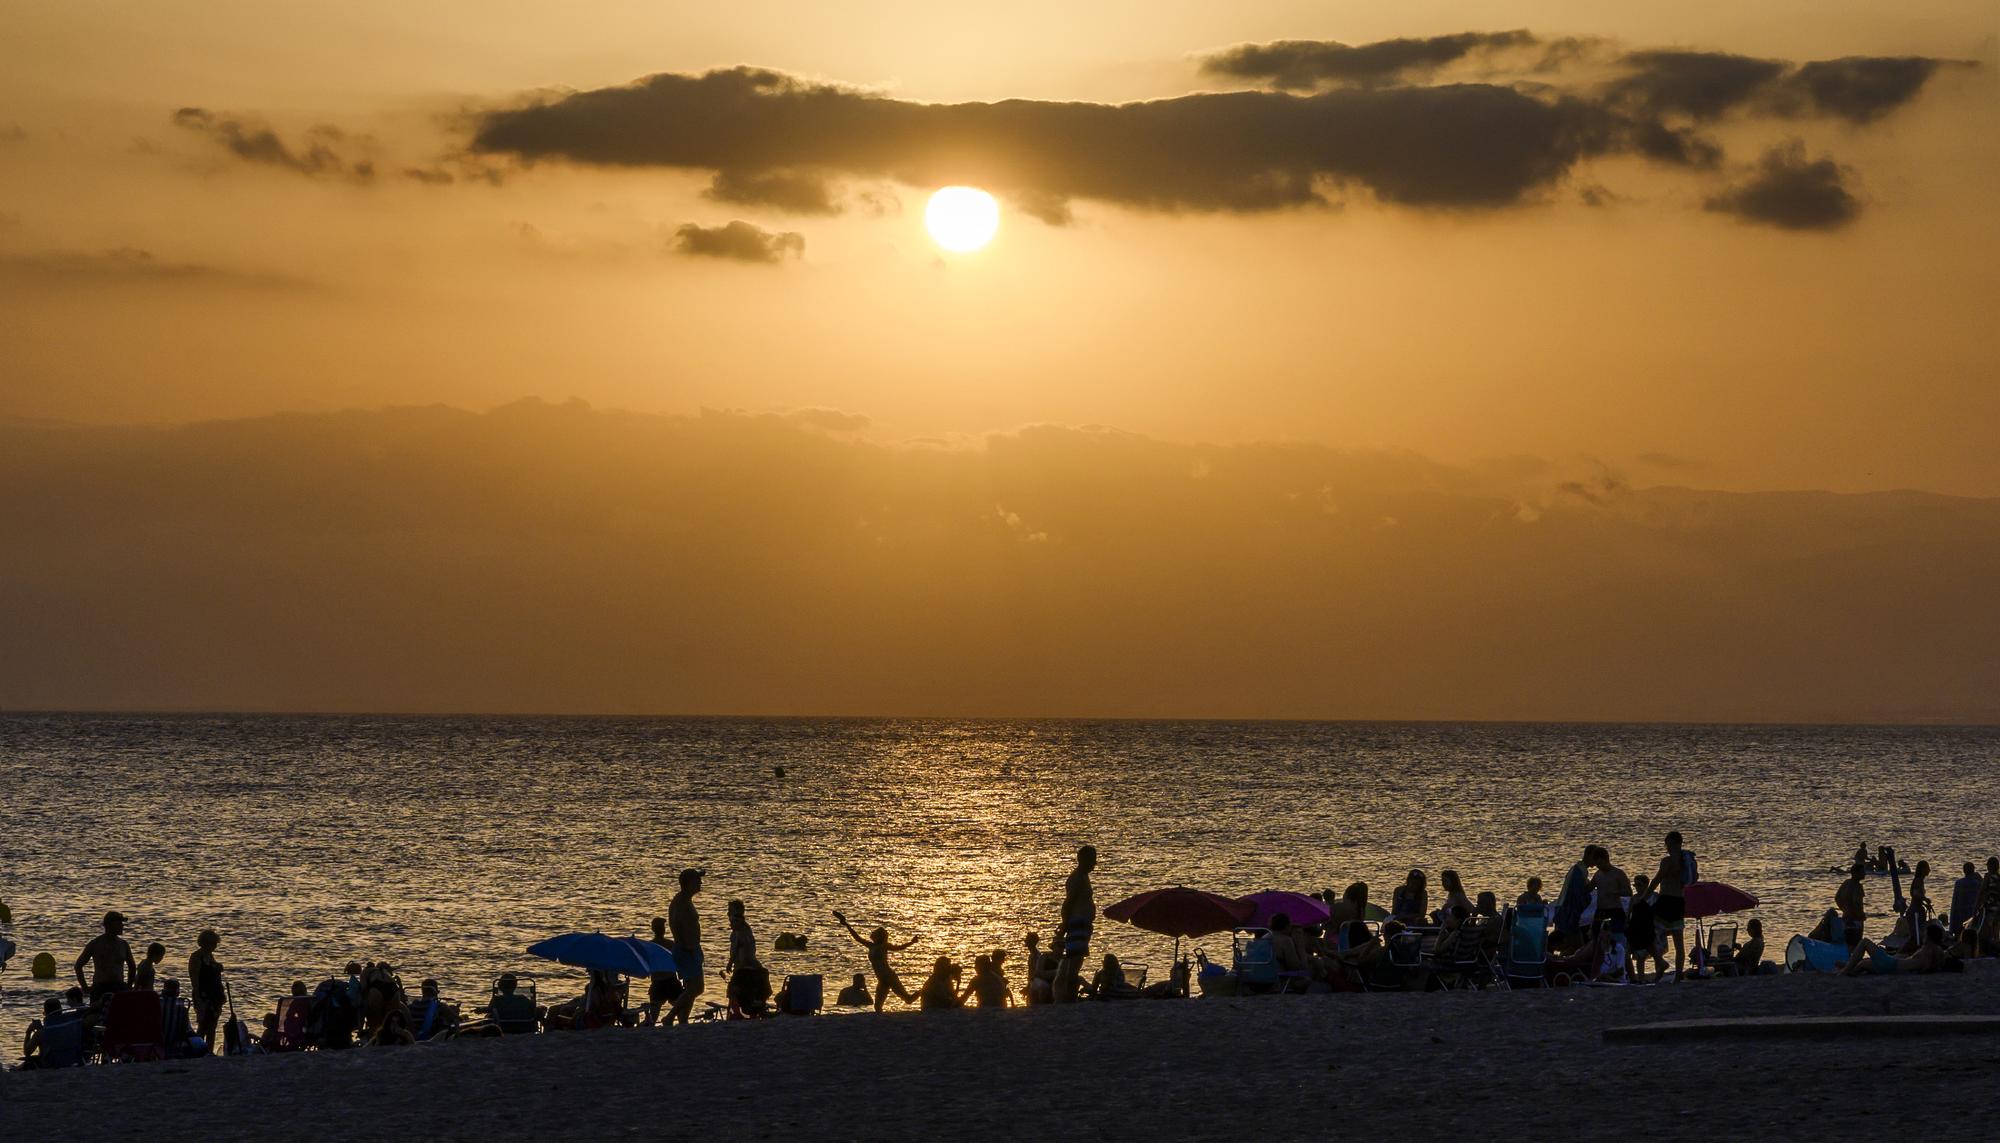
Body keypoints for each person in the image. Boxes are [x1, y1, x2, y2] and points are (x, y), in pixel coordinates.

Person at [834, 910, 919, 1011]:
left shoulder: (884, 946)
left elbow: (899, 947)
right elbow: (857, 938)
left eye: (875, 933)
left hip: (889, 977)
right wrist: (847, 925)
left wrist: (911, 942)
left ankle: (924, 991)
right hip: (882, 980)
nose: (872, 934)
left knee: (908, 1000)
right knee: (877, 1007)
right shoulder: (871, 946)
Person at [1052, 845, 1096, 1004]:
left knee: (1076, 961)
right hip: (1077, 924)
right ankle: (1069, 998)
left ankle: (1069, 996)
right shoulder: (1077, 878)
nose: (1095, 863)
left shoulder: (1083, 876)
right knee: (1074, 962)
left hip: (1082, 925)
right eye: (1092, 859)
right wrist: (1064, 925)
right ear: (1083, 859)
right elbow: (1068, 903)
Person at [1651, 831, 1693, 981]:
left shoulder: (1667, 862)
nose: (1667, 848)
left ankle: (1660, 964)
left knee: (1649, 931)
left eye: (1668, 845)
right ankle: (1677, 976)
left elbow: (1657, 880)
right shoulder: (1687, 861)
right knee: (1678, 942)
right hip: (1678, 902)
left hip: (1666, 901)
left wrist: (1644, 896)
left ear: (1675, 844)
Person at [665, 868, 705, 1026]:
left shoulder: (686, 899)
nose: (700, 883)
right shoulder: (680, 902)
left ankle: (682, 1019)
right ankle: (670, 1016)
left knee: (694, 988)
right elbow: (675, 923)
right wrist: (685, 944)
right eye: (697, 880)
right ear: (688, 884)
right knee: (694, 987)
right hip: (686, 949)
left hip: (691, 948)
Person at [1843, 923, 1952, 976]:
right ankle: (1849, 969)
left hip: (1892, 965)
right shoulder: (1936, 950)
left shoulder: (1928, 950)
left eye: (1925, 934)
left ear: (1929, 936)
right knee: (1863, 964)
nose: (1923, 936)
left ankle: (1845, 971)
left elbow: (1925, 966)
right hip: (1892, 964)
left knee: (1865, 941)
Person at [74, 911, 135, 1002]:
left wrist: (128, 987)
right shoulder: (95, 944)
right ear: (109, 925)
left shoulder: (123, 945)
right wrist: (85, 987)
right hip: (100, 988)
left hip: (119, 987)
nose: (122, 926)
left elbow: (132, 966)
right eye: (119, 923)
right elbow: (78, 966)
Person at [645, 915, 681, 1024]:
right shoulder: (671, 944)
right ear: (664, 930)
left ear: (652, 929)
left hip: (659, 982)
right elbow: (679, 963)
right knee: (680, 1010)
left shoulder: (649, 946)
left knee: (653, 1016)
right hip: (670, 981)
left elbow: (647, 966)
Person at [1551, 853, 1592, 951]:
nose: (1595, 864)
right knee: (1571, 943)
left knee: (1572, 942)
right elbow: (1578, 894)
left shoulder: (1576, 869)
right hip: (1568, 912)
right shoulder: (1578, 872)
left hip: (1566, 910)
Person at [1625, 874, 1660, 983]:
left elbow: (1658, 913)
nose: (1637, 887)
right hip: (1637, 930)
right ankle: (1640, 978)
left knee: (1656, 953)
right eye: (1635, 885)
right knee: (1639, 956)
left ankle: (1658, 975)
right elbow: (1628, 913)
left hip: (1651, 929)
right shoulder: (1634, 898)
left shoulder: (1654, 897)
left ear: (1646, 885)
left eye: (1639, 885)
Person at [1590, 847, 1630, 935]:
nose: (1599, 866)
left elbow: (1628, 892)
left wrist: (1616, 893)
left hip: (1615, 910)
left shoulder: (1618, 873)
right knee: (1596, 937)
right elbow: (1589, 889)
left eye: (1600, 863)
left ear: (1606, 859)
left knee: (1617, 937)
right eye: (1597, 864)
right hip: (1600, 911)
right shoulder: (1597, 874)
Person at [1836, 862, 1868, 950]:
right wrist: (1860, 915)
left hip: (1846, 918)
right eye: (1862, 872)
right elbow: (1857, 903)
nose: (1864, 873)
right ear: (1855, 873)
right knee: (1855, 945)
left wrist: (1844, 910)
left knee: (1847, 944)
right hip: (1855, 920)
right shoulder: (1857, 886)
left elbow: (1837, 898)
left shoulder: (1846, 883)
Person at [1949, 862, 1981, 934]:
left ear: (1964, 871)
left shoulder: (1958, 883)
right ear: (1973, 870)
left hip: (1959, 914)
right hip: (1972, 913)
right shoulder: (1976, 883)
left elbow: (1954, 902)